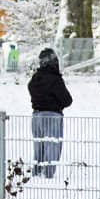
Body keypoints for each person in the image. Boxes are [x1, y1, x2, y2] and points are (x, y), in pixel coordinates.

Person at [27, 47, 72, 179]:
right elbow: (67, 100)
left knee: (38, 146)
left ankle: (36, 173)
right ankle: (48, 175)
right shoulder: (55, 79)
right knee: (52, 146)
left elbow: (30, 88)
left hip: (36, 115)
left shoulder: (35, 79)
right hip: (52, 116)